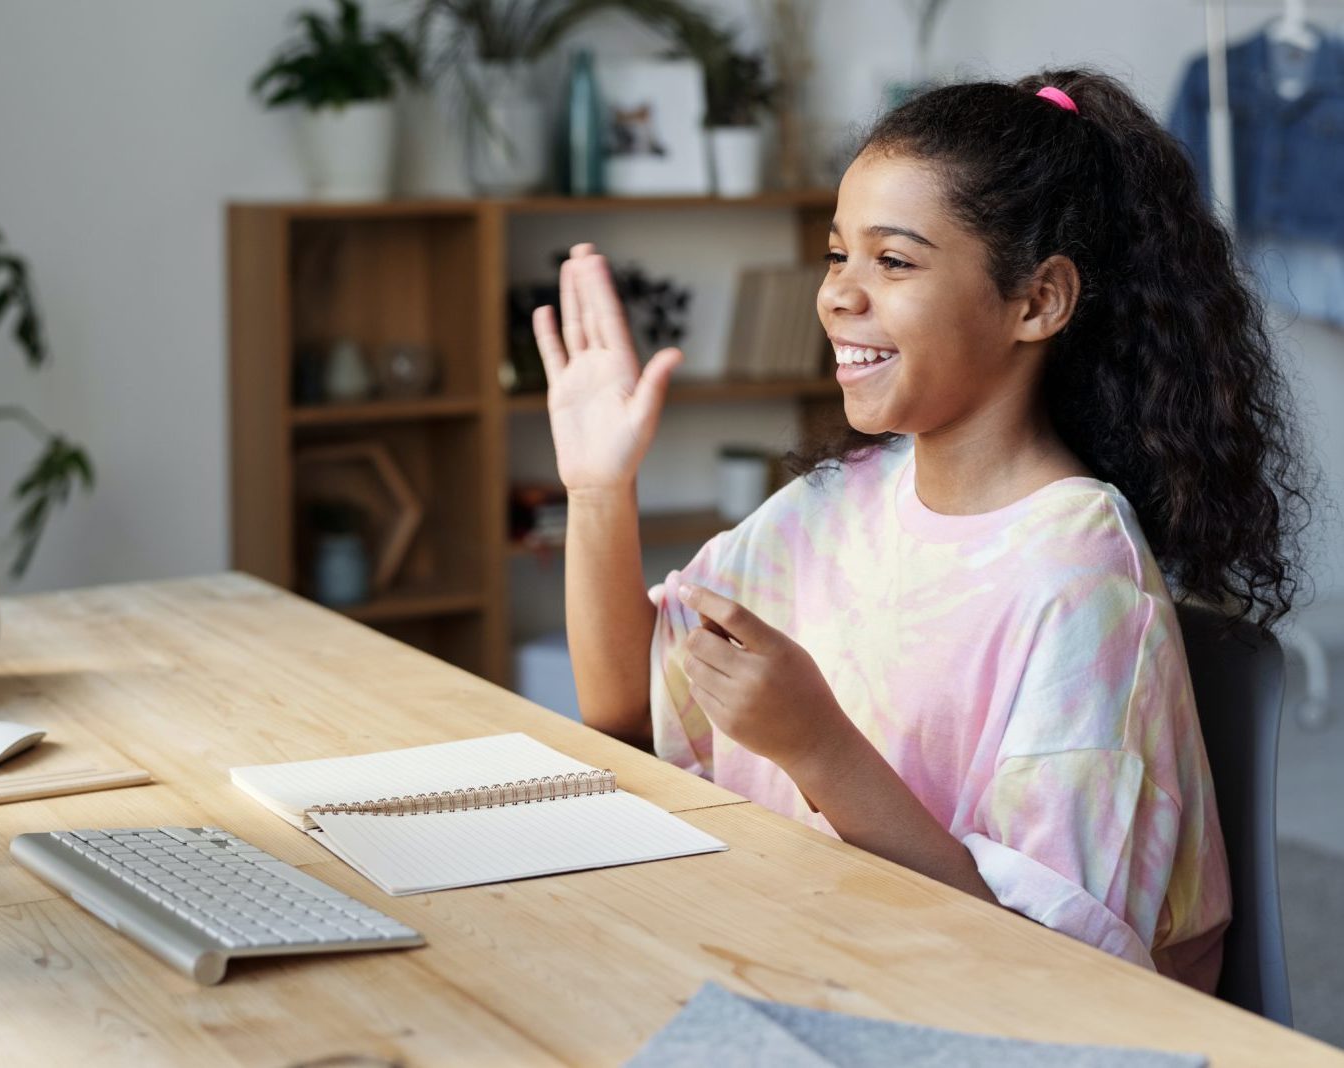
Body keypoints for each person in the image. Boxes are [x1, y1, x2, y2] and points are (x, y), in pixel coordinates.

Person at [530, 69, 1311, 994]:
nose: (837, 297)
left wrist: (817, 748)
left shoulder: (1081, 588)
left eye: (892, 262)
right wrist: (597, 489)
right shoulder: (833, 504)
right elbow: (626, 717)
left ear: (1036, 303)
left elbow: (1049, 976)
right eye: (835, 256)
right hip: (797, 962)